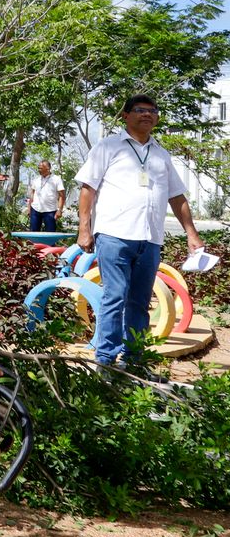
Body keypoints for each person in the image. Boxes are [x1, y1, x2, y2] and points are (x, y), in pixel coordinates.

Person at [74, 94, 204, 372]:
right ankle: (105, 360)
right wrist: (84, 228)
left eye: (152, 111)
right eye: (140, 110)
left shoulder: (161, 155)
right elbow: (87, 189)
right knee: (114, 296)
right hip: (114, 235)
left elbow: (176, 197)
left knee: (140, 301)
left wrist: (191, 233)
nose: (147, 114)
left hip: (150, 239)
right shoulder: (108, 147)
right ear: (125, 115)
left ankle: (133, 360)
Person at [26, 160, 65, 231]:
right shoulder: (36, 179)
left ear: (48, 168)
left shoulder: (56, 179)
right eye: (38, 168)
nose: (39, 170)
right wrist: (29, 208)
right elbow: (32, 194)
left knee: (50, 234)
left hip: (50, 211)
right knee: (33, 234)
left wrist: (59, 210)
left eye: (41, 168)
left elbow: (62, 196)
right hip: (35, 210)